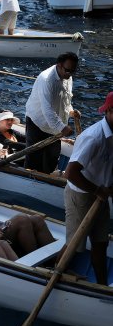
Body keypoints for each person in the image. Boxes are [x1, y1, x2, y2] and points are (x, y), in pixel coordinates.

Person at [61, 92, 113, 285]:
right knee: (74, 245)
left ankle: (101, 286)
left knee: (101, 243)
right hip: (81, 195)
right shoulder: (94, 137)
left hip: (101, 194)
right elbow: (70, 173)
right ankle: (53, 274)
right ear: (109, 111)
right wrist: (97, 190)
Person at [25, 52, 81, 174]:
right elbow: (47, 109)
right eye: (67, 70)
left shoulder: (67, 76)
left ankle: (47, 182)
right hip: (38, 123)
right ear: (59, 65)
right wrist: (62, 127)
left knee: (52, 159)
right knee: (33, 161)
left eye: (73, 71)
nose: (70, 74)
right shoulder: (47, 80)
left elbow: (64, 100)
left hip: (55, 126)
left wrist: (71, 111)